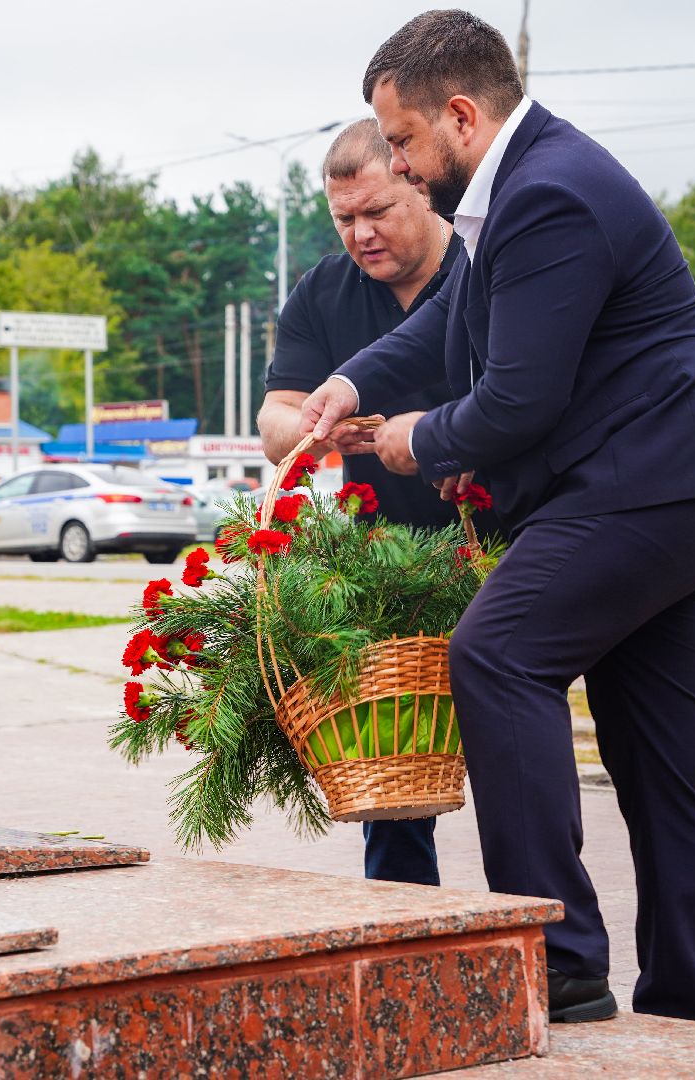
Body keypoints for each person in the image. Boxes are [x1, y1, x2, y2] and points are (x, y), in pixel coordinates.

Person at [298, 10, 695, 1026]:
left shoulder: (549, 195)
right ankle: (684, 1003)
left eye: (401, 142)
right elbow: (445, 323)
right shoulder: (519, 191)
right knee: (658, 761)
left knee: (496, 656)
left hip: (646, 489)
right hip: (692, 491)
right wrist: (346, 388)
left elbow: (519, 400)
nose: (398, 164)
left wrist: (419, 440)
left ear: (461, 116)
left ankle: (555, 953)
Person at [256, 118, 469, 889]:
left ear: (418, 180)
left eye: (376, 211)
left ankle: (533, 918)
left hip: (501, 542)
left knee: (517, 736)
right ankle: (402, 925)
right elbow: (274, 419)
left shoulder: (483, 266)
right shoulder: (321, 292)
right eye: (344, 219)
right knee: (390, 765)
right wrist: (318, 432)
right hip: (381, 559)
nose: (360, 234)